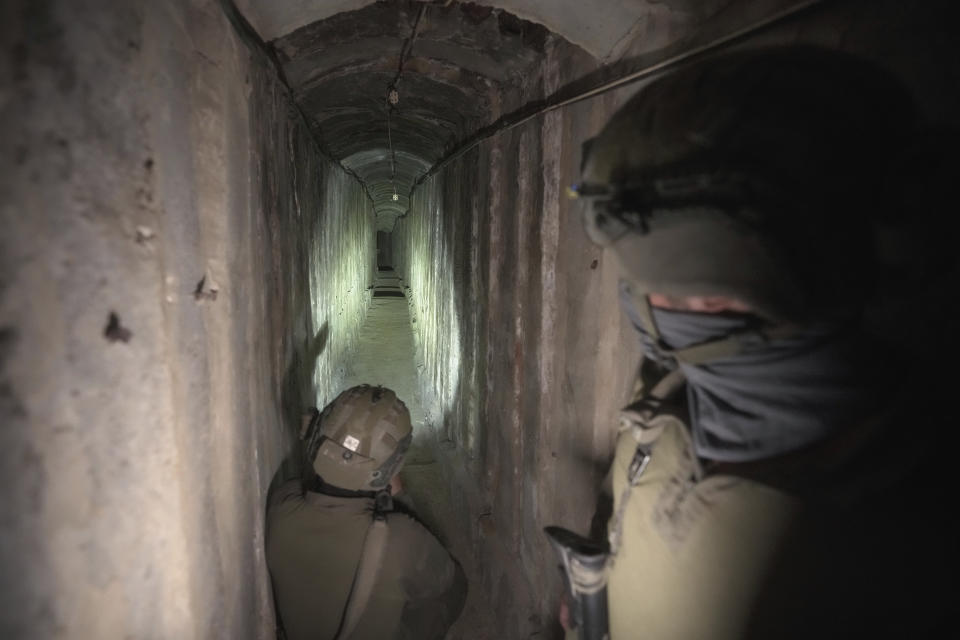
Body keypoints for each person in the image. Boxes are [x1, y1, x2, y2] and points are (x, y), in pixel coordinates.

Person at [566, 46, 956, 639]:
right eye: (644, 279)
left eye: (704, 288)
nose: (656, 309)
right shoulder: (666, 397)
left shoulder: (905, 556)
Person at [267, 384, 466, 640]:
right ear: (391, 469)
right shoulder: (400, 538)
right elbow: (456, 585)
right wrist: (400, 498)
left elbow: (306, 480)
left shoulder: (281, 506)